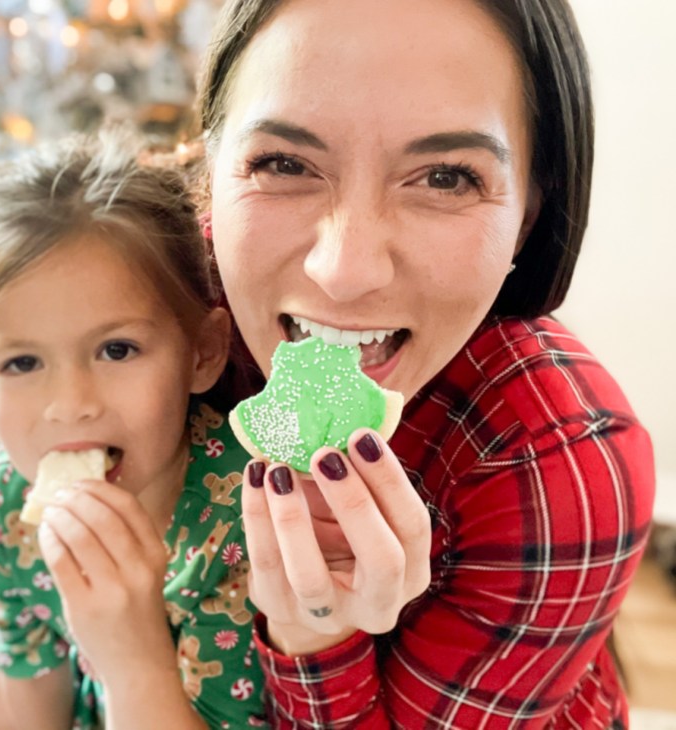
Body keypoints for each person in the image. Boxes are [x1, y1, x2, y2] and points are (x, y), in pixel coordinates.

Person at [196, 0, 656, 727]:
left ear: (527, 218)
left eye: (445, 177)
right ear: (210, 175)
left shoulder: (561, 454)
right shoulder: (155, 313)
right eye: (283, 163)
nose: (343, 271)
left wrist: (317, 634)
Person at [0, 132, 268, 730]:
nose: (70, 406)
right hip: (89, 700)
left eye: (116, 349)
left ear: (202, 352)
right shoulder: (5, 499)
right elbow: (32, 685)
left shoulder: (245, 519)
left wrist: (130, 650)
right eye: (22, 363)